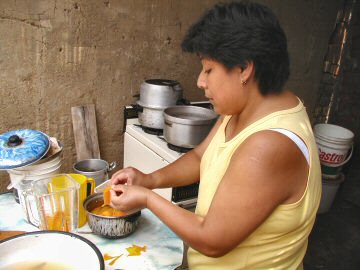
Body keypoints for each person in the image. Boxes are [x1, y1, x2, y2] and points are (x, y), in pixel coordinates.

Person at [109, 1, 322, 269]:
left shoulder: (270, 144)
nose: (200, 81)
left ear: (244, 68)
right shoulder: (244, 107)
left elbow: (212, 240)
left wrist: (147, 199)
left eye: (209, 69)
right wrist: (149, 180)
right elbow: (200, 157)